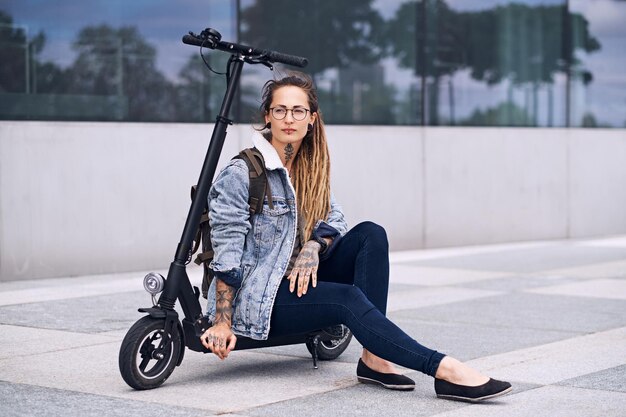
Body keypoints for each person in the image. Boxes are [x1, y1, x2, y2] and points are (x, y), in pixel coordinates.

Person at [200, 72, 512, 402]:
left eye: (298, 111)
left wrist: (314, 245)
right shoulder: (242, 173)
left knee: (370, 235)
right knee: (346, 300)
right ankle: (444, 369)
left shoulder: (309, 167)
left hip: (297, 281)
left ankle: (374, 359)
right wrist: (222, 322)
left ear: (312, 118)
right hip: (259, 298)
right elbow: (227, 252)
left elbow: (336, 219)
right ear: (268, 117)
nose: (288, 119)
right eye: (280, 110)